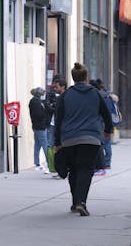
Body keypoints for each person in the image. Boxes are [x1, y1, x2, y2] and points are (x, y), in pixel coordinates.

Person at [54, 63, 113, 216]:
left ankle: (75, 202)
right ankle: (81, 202)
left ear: (73, 78)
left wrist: (57, 142)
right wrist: (108, 130)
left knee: (73, 170)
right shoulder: (95, 93)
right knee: (85, 170)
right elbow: (106, 114)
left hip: (69, 138)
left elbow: (58, 119)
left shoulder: (65, 95)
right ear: (86, 77)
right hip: (91, 138)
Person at [45, 76, 67, 177]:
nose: (55, 89)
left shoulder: (64, 97)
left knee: (59, 147)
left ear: (62, 86)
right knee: (53, 146)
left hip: (60, 125)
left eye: (56, 87)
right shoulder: (58, 97)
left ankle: (61, 169)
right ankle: (56, 169)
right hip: (54, 124)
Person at [28, 87, 49, 173]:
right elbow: (39, 114)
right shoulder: (36, 102)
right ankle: (49, 162)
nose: (44, 95)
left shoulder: (35, 101)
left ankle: (37, 163)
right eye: (43, 93)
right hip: (40, 126)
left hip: (37, 126)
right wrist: (45, 114)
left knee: (37, 145)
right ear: (39, 94)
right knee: (45, 145)